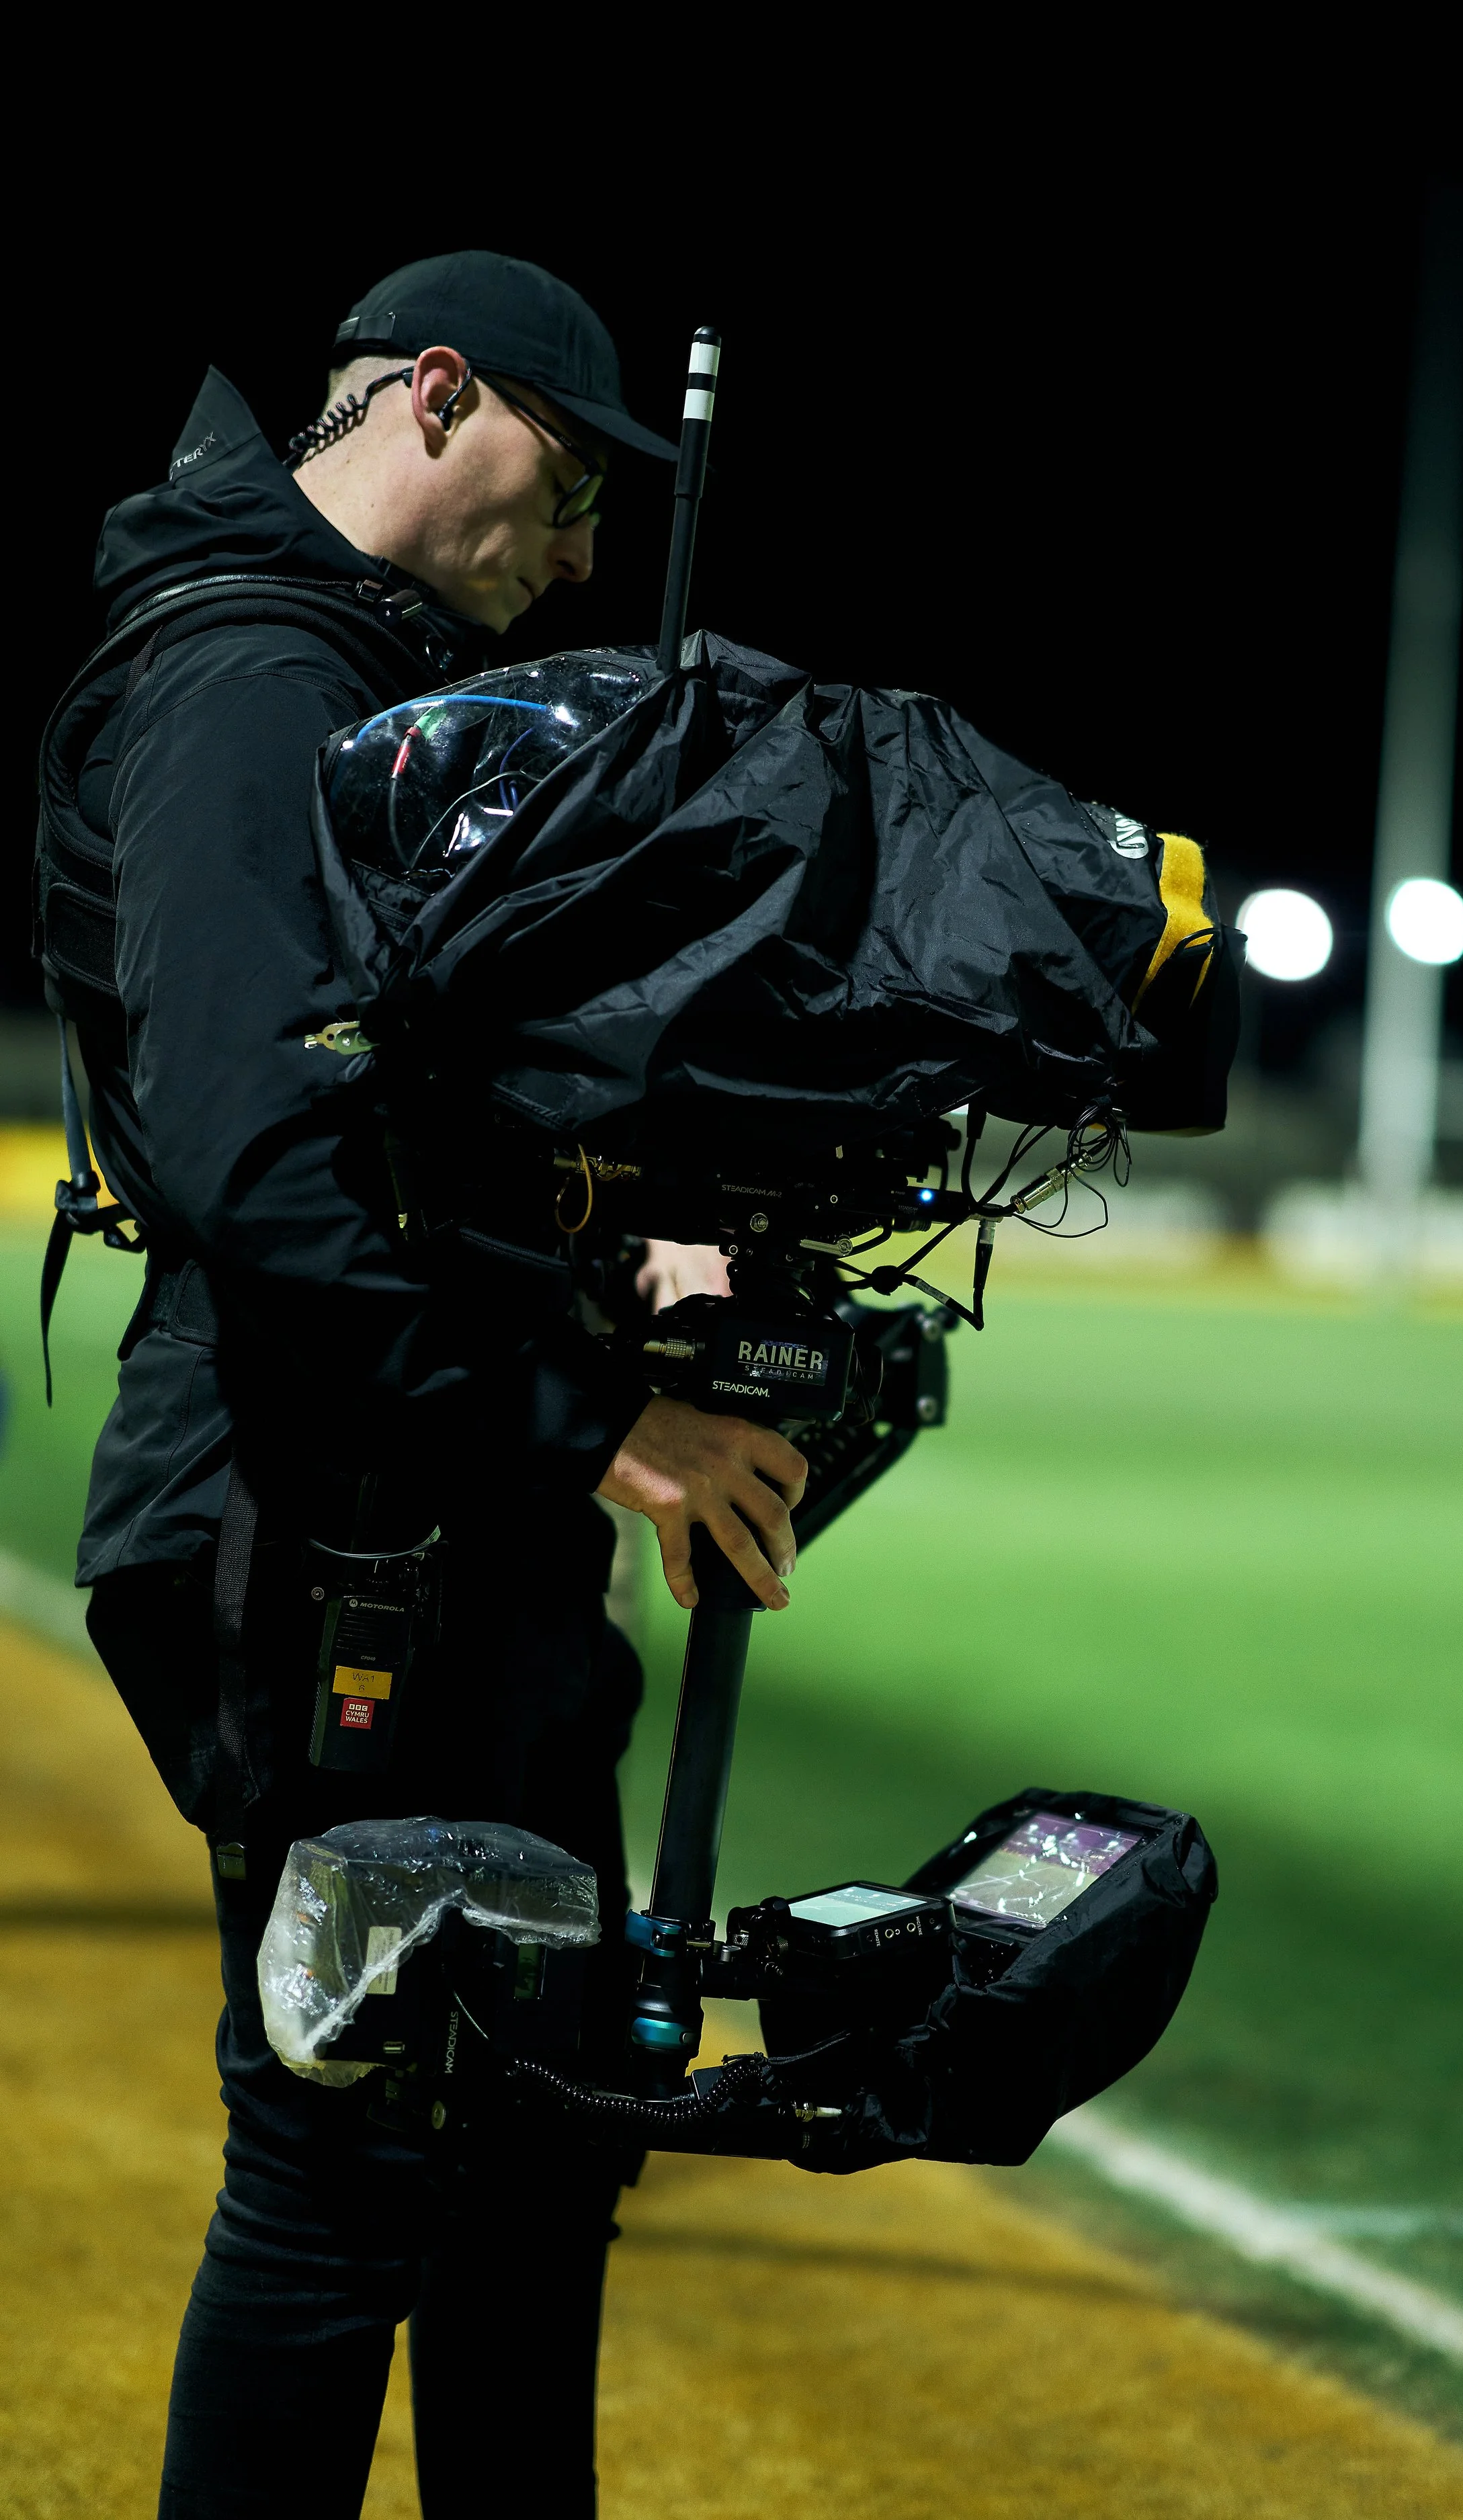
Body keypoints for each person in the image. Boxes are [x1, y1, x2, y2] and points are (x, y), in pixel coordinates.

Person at [48, 250, 806, 2519]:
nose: (576, 561)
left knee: (531, 2163)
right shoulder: (246, 682)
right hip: (310, 1514)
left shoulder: (341, 677)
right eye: (567, 498)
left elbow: (395, 1122)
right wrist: (605, 1423)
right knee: (338, 2174)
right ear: (436, 397)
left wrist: (622, 1228)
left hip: (419, 1499)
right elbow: (262, 1171)